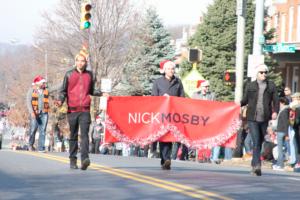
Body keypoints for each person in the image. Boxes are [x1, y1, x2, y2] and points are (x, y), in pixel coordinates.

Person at [56, 52, 107, 170]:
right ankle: (72, 160)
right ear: (75, 62)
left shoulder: (89, 75)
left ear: (86, 62)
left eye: (83, 61)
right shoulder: (69, 74)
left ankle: (85, 159)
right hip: (72, 110)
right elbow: (63, 91)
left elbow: (92, 90)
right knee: (73, 136)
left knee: (84, 135)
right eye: (78, 60)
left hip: (85, 109)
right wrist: (60, 100)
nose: (80, 63)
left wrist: (102, 93)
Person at [241, 64, 279, 176]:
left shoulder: (271, 85)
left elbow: (276, 100)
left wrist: (275, 111)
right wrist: (236, 105)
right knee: (256, 141)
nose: (263, 74)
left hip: (264, 118)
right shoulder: (250, 85)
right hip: (252, 118)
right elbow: (244, 100)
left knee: (260, 141)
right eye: (261, 72)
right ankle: (257, 166)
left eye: (265, 72)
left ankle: (254, 165)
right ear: (257, 74)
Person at [152, 60, 185, 170]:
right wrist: (163, 99)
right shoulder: (158, 82)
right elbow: (154, 98)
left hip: (173, 114)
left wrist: (173, 100)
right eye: (169, 69)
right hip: (161, 114)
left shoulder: (178, 82)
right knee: (163, 137)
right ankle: (166, 159)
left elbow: (182, 98)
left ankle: (166, 159)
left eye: (172, 69)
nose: (171, 70)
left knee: (170, 137)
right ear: (164, 70)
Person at [192, 80, 221, 164]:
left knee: (209, 138)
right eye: (205, 86)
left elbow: (215, 106)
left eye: (208, 86)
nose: (207, 88)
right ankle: (200, 156)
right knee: (200, 138)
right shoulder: (195, 95)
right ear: (201, 87)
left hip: (209, 120)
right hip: (199, 119)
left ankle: (208, 156)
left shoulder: (211, 95)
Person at [26, 75, 49, 152]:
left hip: (44, 112)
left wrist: (65, 81)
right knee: (33, 129)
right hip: (35, 113)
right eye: (43, 83)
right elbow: (28, 102)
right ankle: (30, 144)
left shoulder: (46, 89)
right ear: (38, 83)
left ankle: (41, 148)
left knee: (43, 130)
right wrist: (31, 112)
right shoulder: (31, 90)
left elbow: (56, 87)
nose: (44, 84)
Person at [272, 97, 289, 171]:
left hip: (281, 131)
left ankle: (280, 165)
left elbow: (285, 123)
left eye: (280, 103)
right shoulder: (283, 110)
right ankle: (279, 164)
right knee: (280, 149)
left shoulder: (284, 111)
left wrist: (286, 134)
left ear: (283, 103)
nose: (279, 104)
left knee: (280, 149)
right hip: (280, 131)